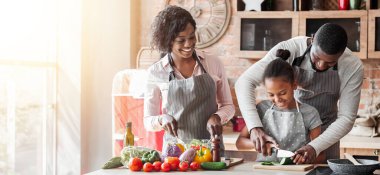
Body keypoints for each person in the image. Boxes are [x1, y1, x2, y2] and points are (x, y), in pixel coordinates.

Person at [235, 23, 364, 163]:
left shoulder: (352, 65)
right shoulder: (289, 49)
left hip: (327, 133)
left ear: (341, 54)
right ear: (313, 39)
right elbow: (244, 82)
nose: (320, 65)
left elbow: (347, 118)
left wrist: (315, 146)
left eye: (330, 63)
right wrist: (255, 127)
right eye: (317, 57)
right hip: (292, 131)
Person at [143, 5, 235, 151]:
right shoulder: (156, 72)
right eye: (181, 40)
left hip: (211, 150)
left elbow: (228, 106)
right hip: (175, 153)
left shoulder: (212, 63)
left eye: (192, 37)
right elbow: (148, 121)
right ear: (168, 41)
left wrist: (217, 117)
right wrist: (162, 119)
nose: (189, 44)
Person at [235, 50, 324, 163]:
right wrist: (259, 144)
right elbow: (240, 143)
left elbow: (321, 156)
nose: (277, 99)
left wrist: (305, 158)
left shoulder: (310, 113)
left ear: (294, 86)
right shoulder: (262, 108)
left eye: (282, 93)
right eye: (271, 94)